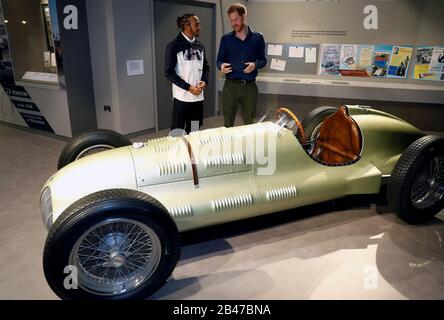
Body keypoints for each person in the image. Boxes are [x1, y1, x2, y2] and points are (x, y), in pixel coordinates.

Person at [216, 3, 267, 127]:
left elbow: (263, 60)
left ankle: (248, 147)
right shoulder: (226, 39)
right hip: (230, 87)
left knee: (249, 123)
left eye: (236, 19)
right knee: (228, 123)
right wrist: (221, 66)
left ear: (244, 16)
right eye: (231, 20)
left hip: (249, 87)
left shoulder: (258, 38)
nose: (234, 23)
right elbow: (219, 61)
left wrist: (255, 65)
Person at [165, 13, 209, 134]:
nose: (200, 27)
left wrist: (204, 82)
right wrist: (189, 88)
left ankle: (192, 153)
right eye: (197, 24)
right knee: (177, 133)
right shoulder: (173, 46)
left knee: (194, 131)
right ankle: (178, 153)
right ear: (186, 26)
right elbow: (169, 72)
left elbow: (206, 68)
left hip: (197, 99)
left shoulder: (200, 46)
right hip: (182, 100)